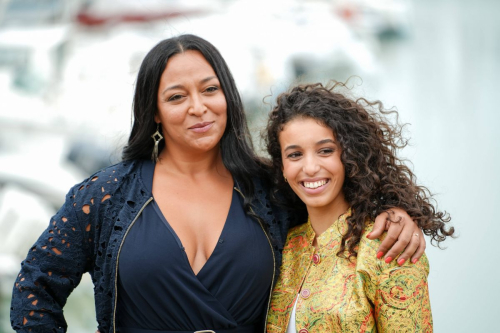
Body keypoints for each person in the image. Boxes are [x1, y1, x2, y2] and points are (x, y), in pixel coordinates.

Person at [10, 35, 425, 333]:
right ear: (153, 111)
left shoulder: (273, 188)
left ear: (227, 95)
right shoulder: (105, 197)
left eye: (210, 89)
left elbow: (338, 195)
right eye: (176, 97)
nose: (198, 107)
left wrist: (395, 211)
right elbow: (34, 287)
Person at [264, 82, 454, 332]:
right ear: (282, 167)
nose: (309, 167)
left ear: (349, 155)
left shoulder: (391, 247)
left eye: (325, 150)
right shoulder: (280, 248)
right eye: (295, 155)